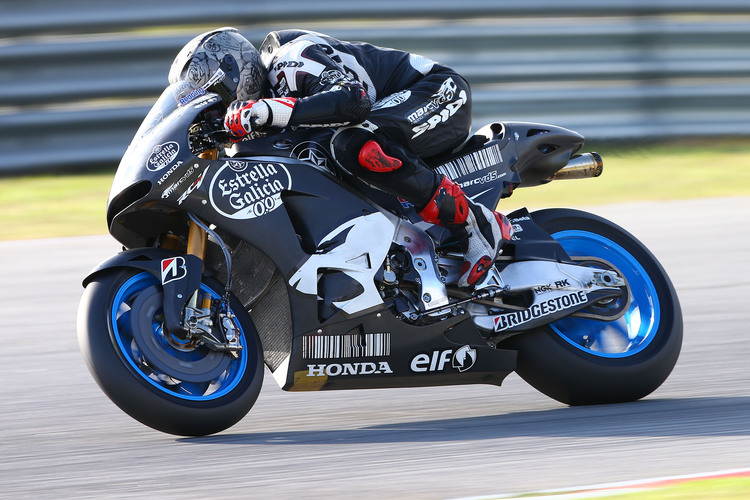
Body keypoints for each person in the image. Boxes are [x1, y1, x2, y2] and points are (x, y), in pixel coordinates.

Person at [169, 27, 512, 289]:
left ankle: (476, 223)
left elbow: (353, 102)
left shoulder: (290, 59)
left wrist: (266, 110)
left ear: (233, 68)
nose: (211, 107)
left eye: (211, 94)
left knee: (354, 145)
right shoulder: (253, 134)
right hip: (381, 122)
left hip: (434, 90)